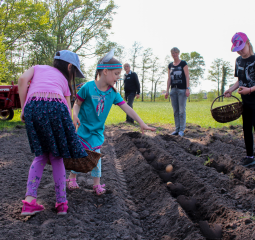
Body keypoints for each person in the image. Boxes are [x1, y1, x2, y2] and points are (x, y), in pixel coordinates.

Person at [66, 49, 155, 195]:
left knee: (95, 157)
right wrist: (75, 115)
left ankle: (96, 184)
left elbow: (127, 108)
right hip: (82, 129)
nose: (118, 77)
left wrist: (141, 122)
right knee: (79, 156)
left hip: (96, 131)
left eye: (119, 74)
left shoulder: (112, 93)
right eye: (116, 74)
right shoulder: (87, 88)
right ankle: (72, 178)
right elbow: (77, 104)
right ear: (105, 71)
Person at [18, 50, 88, 215]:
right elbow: (67, 105)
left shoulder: (37, 68)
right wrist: (70, 124)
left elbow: (22, 80)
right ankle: (61, 203)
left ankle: (29, 202)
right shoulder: (64, 80)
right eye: (74, 72)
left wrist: (24, 108)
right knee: (57, 157)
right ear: (69, 66)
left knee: (40, 155)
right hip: (57, 108)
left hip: (33, 106)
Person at [224, 32, 255, 169]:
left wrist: (249, 90)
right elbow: (240, 80)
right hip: (246, 98)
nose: (239, 51)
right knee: (246, 127)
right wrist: (231, 89)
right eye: (237, 49)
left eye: (241, 48)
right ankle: (250, 157)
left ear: (248, 43)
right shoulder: (238, 61)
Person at [165, 47, 190, 137]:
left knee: (181, 111)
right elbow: (169, 79)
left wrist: (187, 88)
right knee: (175, 111)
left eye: (175, 52)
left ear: (178, 53)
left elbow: (187, 76)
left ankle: (181, 130)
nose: (174, 54)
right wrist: (167, 91)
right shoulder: (170, 65)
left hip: (182, 90)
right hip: (173, 90)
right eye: (172, 53)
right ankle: (177, 129)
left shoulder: (183, 63)